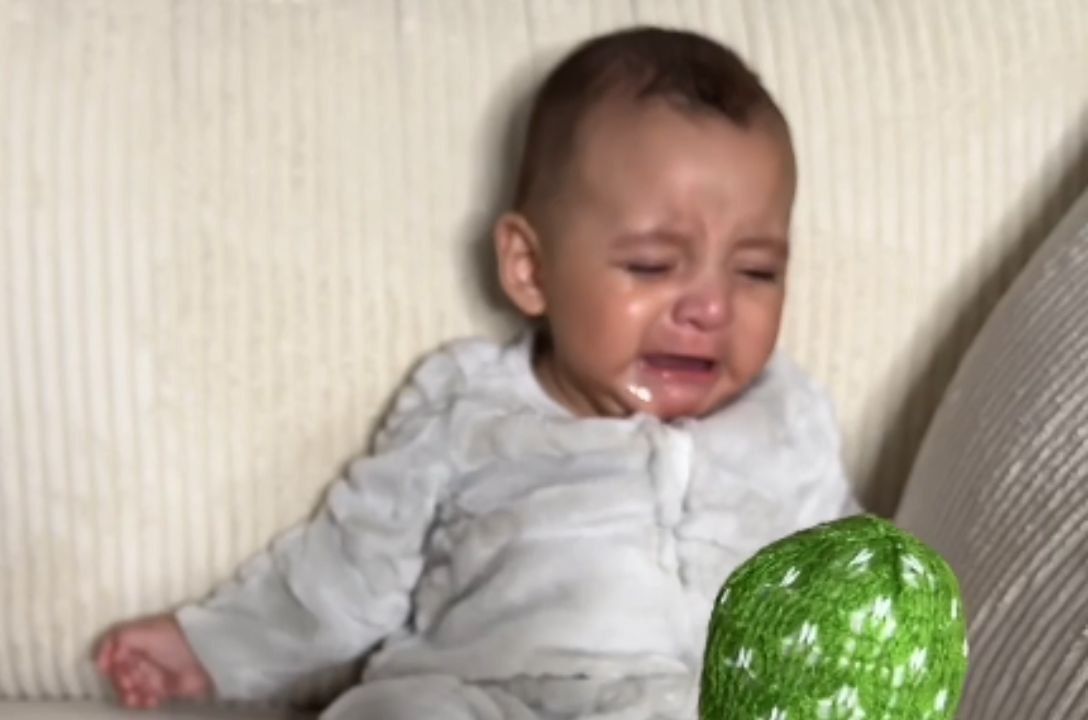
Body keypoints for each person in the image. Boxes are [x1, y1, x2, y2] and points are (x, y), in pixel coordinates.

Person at [95, 26, 857, 719]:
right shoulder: (468, 406)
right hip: (495, 695)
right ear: (529, 267)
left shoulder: (787, 419)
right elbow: (350, 568)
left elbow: (850, 582)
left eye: (757, 272)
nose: (711, 307)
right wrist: (211, 645)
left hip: (701, 701)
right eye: (653, 264)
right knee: (399, 711)